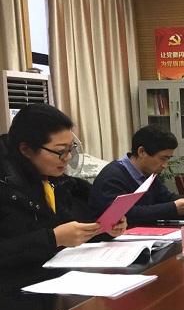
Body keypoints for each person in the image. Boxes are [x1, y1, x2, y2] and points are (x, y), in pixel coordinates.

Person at [0, 104, 127, 269]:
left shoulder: (51, 178)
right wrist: (53, 239)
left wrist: (104, 228)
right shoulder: (7, 184)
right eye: (60, 151)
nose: (67, 158)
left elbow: (67, 228)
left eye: (70, 149)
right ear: (26, 150)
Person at [89, 125, 184, 225]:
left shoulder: (148, 173)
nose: (165, 165)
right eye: (162, 158)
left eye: (168, 159)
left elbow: (165, 197)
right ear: (141, 152)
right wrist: (173, 208)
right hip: (113, 238)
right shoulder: (112, 177)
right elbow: (126, 214)